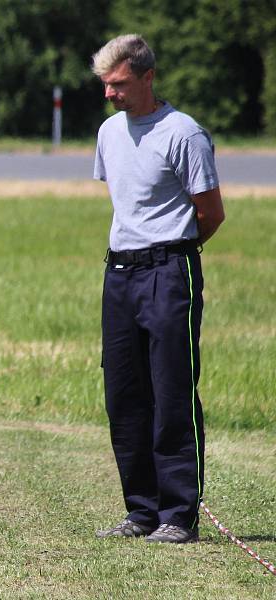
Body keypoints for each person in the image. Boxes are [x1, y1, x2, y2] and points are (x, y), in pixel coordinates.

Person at [91, 34, 225, 544]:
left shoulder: (184, 133)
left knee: (171, 391)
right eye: (105, 84)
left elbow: (210, 213)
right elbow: (127, 204)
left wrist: (172, 256)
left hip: (169, 272)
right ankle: (140, 511)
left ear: (148, 77)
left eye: (119, 84)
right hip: (119, 274)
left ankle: (177, 515)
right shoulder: (108, 133)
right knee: (124, 394)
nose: (110, 94)